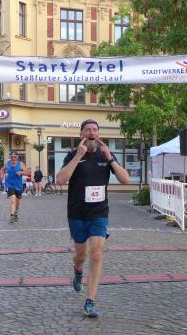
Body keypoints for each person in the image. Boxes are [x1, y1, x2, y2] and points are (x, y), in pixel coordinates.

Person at [56, 119, 131, 318]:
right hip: (77, 213)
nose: (92, 132)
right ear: (81, 134)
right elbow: (60, 180)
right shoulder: (73, 154)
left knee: (96, 254)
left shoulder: (106, 154)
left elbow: (125, 180)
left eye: (95, 129)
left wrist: (110, 159)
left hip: (99, 213)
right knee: (81, 255)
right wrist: (78, 156)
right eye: (88, 129)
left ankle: (90, 301)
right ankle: (78, 269)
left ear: (98, 134)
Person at [4, 152, 29, 224]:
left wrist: (21, 172)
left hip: (18, 185)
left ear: (17, 157)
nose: (13, 158)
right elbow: (2, 169)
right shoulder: (7, 163)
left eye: (14, 157)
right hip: (9, 185)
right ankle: (12, 217)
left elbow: (28, 172)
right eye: (12, 157)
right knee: (12, 199)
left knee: (17, 201)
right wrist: (2, 176)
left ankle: (16, 212)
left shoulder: (21, 164)